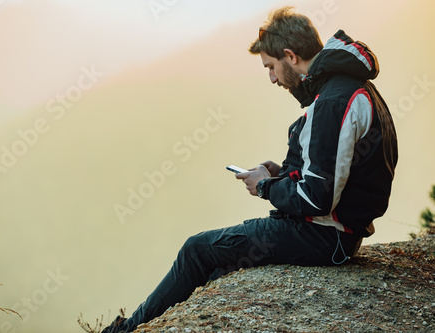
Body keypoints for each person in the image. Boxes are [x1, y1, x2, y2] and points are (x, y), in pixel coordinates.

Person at [102, 6, 398, 332]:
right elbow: (331, 174)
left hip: (325, 236)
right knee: (216, 269)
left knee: (196, 250)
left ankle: (125, 330)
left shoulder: (331, 102)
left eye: (271, 66)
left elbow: (318, 199)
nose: (271, 77)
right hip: (334, 232)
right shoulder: (348, 89)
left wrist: (265, 186)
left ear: (290, 55)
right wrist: (281, 173)